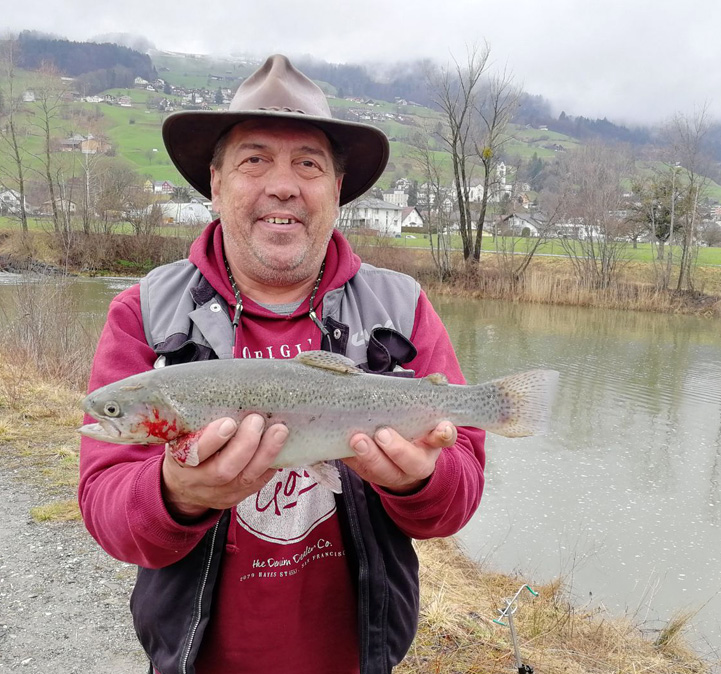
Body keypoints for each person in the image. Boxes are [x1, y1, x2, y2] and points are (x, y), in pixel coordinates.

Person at [78, 54, 486, 674]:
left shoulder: (402, 307)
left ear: (337, 190)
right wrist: (175, 494)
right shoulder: (146, 312)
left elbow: (456, 501)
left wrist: (416, 482)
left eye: (308, 164)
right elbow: (107, 513)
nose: (283, 185)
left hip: (358, 658)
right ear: (215, 183)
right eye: (255, 159)